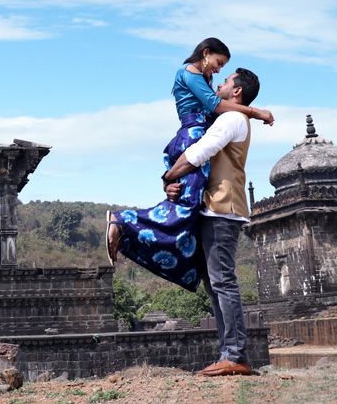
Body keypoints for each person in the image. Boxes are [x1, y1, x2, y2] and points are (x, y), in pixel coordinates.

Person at [105, 39, 272, 292]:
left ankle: (132, 231)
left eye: (224, 71)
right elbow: (215, 106)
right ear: (205, 54)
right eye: (218, 63)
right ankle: (124, 221)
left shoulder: (203, 80)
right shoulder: (190, 73)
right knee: (185, 207)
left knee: (186, 206)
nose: (218, 72)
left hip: (196, 135)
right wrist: (256, 112)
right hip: (193, 136)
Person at [162, 67, 261, 377]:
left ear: (237, 92)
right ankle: (228, 352)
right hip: (213, 208)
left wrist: (168, 175)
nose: (219, 82)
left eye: (226, 80)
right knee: (214, 284)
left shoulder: (232, 119)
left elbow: (199, 152)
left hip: (223, 209)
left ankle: (235, 354)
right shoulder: (228, 117)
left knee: (222, 282)